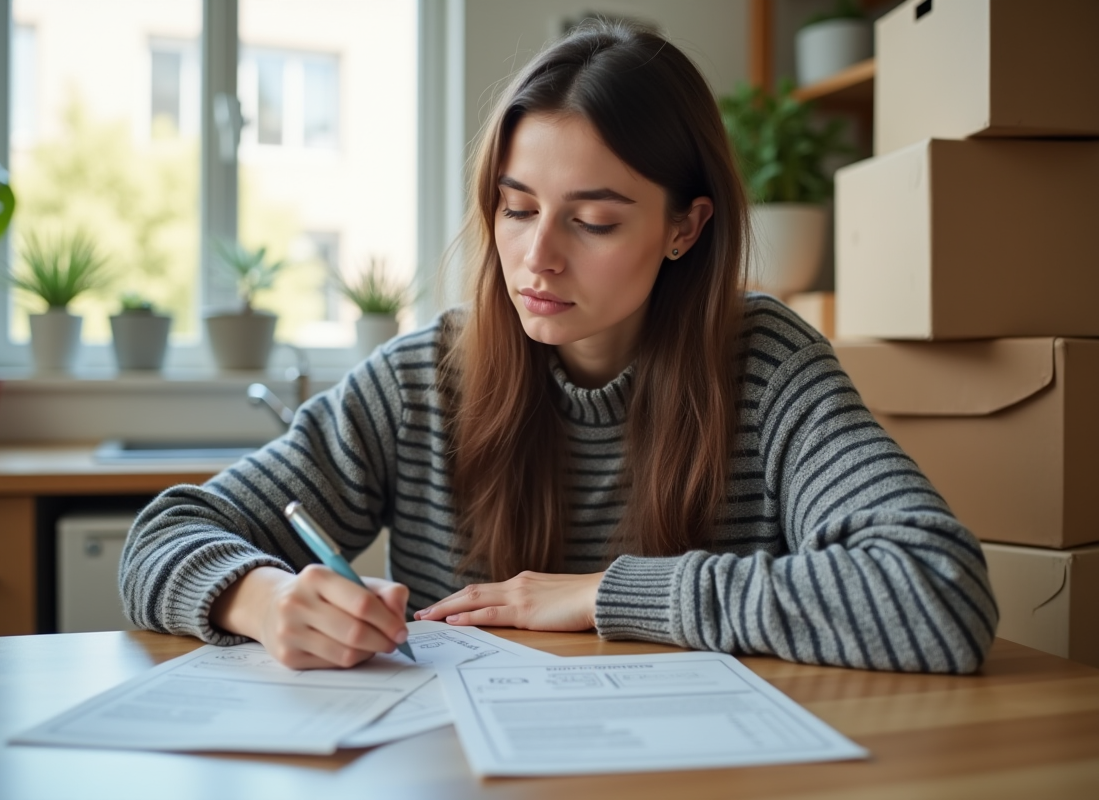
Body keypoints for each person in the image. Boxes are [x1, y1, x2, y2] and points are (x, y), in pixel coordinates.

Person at [120, 20, 997, 674]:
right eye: (517, 208)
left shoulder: (767, 365)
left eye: (594, 220)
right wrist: (265, 598)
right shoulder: (424, 380)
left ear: (686, 227)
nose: (537, 257)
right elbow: (163, 536)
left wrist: (607, 593)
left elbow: (939, 593)